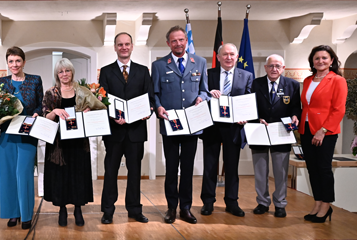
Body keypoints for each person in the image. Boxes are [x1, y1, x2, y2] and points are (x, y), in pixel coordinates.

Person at [152, 26, 209, 224]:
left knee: (187, 168)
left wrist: (202, 99)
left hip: (192, 125)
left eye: (181, 40)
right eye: (174, 41)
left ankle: (186, 208)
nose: (178, 43)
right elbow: (155, 94)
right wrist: (158, 108)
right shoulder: (159, 65)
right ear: (168, 43)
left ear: (187, 40)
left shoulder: (199, 62)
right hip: (170, 124)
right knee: (171, 169)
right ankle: (171, 208)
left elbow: (205, 90)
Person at [42, 58, 106, 227]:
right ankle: (62, 209)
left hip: (79, 142)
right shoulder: (51, 93)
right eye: (61, 71)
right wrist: (55, 111)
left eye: (67, 71)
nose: (64, 74)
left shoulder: (83, 91)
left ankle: (78, 209)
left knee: (78, 176)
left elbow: (100, 109)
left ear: (72, 72)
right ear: (57, 74)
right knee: (60, 177)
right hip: (58, 145)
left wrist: (89, 110)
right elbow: (45, 117)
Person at [99, 32, 154, 225]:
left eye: (127, 44)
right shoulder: (106, 71)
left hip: (136, 132)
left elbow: (150, 99)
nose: (123, 47)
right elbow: (102, 100)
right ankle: (107, 211)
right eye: (120, 44)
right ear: (115, 47)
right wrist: (114, 116)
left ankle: (134, 210)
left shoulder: (143, 71)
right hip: (114, 132)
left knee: (135, 173)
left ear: (132, 46)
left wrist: (147, 111)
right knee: (110, 172)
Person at [0, 46, 43, 229]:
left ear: (24, 62)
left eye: (17, 61)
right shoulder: (2, 81)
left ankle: (26, 214)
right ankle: (13, 213)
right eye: (11, 61)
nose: (14, 64)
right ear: (7, 63)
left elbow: (40, 104)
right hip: (6, 134)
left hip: (28, 133)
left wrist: (37, 114)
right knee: (8, 174)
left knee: (24, 174)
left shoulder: (35, 80)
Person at [200, 43, 254, 218]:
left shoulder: (246, 75)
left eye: (232, 54)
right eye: (225, 54)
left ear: (237, 56)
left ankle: (232, 202)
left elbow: (248, 99)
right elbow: (201, 94)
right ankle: (208, 202)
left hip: (234, 127)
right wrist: (209, 93)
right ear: (218, 56)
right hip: (212, 127)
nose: (228, 57)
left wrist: (245, 117)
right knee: (210, 166)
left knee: (232, 167)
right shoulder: (208, 74)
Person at [300, 45, 347, 223]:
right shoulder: (307, 80)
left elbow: (338, 109)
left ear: (332, 60)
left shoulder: (337, 80)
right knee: (312, 169)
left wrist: (323, 130)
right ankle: (317, 203)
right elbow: (307, 106)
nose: (320, 61)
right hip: (306, 130)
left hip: (325, 132)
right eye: (317, 58)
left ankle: (326, 205)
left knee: (324, 169)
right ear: (312, 61)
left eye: (324, 58)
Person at [250, 54, 301, 218]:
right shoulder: (255, 84)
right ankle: (262, 202)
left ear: (283, 68)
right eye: (271, 66)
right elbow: (249, 106)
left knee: (280, 171)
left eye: (278, 66)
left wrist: (295, 116)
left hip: (281, 132)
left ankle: (280, 204)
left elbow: (295, 107)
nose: (274, 69)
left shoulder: (292, 85)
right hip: (259, 130)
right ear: (265, 68)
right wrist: (256, 118)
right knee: (260, 170)